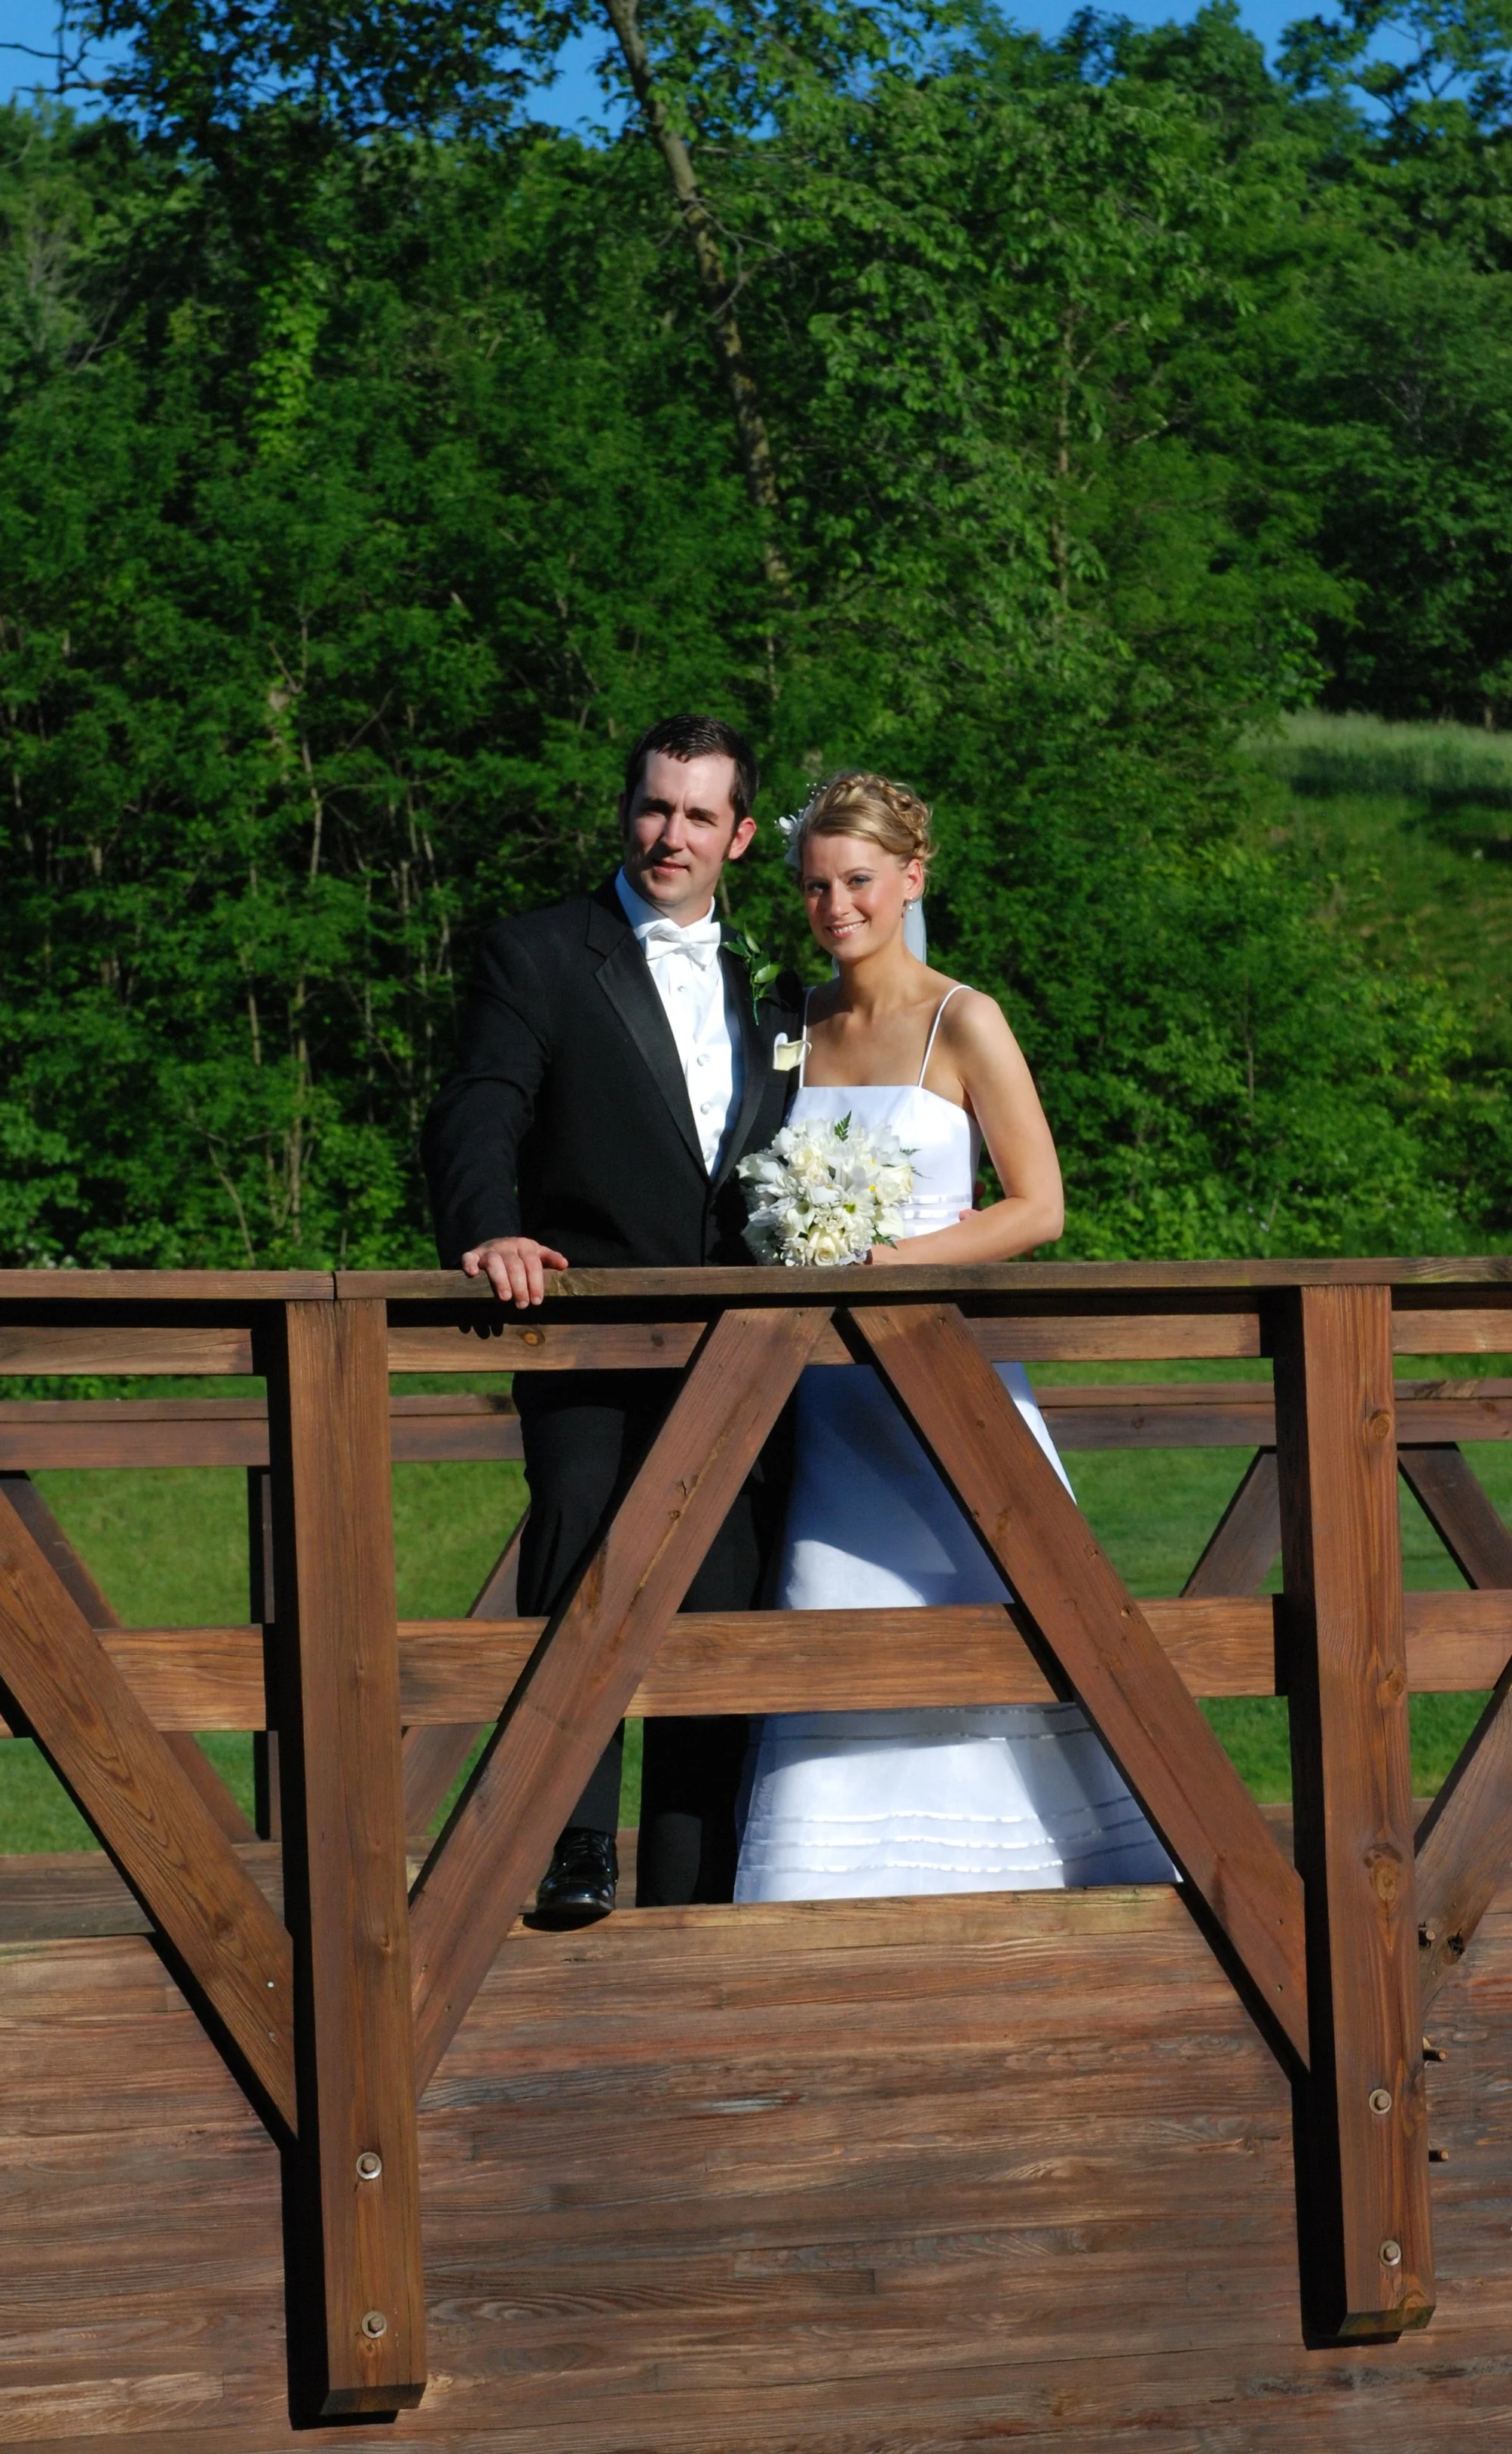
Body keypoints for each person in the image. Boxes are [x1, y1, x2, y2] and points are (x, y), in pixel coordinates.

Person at [733, 770, 1177, 1901]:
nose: (837, 908)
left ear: (911, 878)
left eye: (860, 883)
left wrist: (900, 1263)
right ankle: (834, 1880)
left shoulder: (962, 1018)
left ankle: (1042, 1862)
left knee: (989, 1596)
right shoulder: (796, 1027)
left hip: (943, 1374)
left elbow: (1039, 1206)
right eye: (818, 887)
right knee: (834, 1602)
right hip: (827, 1398)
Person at [422, 714, 795, 1925]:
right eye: (652, 806)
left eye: (698, 815)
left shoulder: (775, 992)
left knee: (724, 1594)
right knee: (579, 1544)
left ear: (739, 835)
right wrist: (487, 1224)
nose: (668, 834)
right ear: (625, 810)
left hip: (739, 1354)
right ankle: (569, 1842)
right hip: (583, 1339)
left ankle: (694, 1877)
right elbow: (480, 1104)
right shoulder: (537, 955)